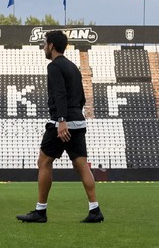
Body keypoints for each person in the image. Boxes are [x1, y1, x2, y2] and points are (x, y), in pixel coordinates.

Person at [18, 29, 103, 223]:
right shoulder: (73, 67)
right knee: (81, 164)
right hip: (78, 119)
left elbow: (59, 93)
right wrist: (73, 116)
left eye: (44, 44)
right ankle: (95, 209)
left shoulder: (54, 66)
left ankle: (40, 211)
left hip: (62, 122)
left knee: (44, 162)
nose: (43, 48)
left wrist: (62, 120)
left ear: (52, 46)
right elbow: (81, 97)